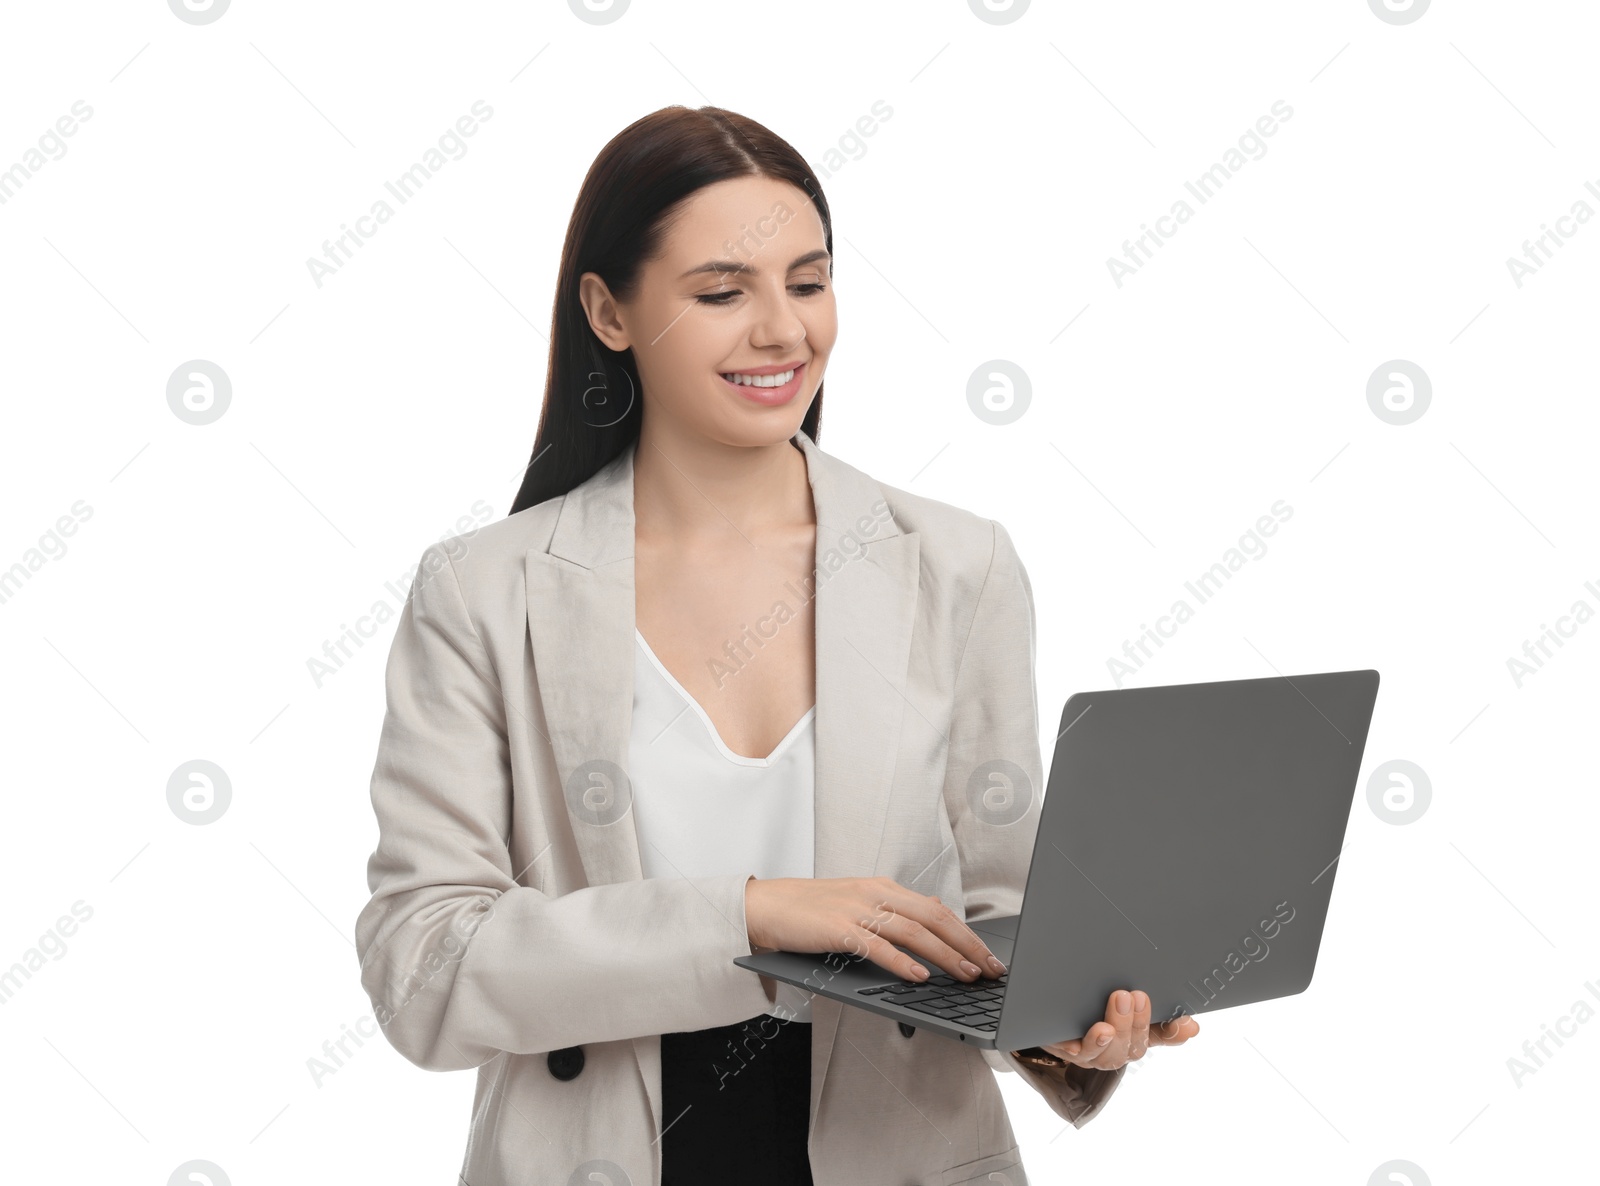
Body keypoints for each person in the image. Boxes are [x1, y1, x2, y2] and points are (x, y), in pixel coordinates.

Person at [354, 104, 1198, 1186]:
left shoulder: (956, 564)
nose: (783, 332)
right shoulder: (482, 591)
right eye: (721, 293)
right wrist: (750, 916)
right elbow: (422, 966)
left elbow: (996, 915)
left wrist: (1068, 1020)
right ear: (609, 312)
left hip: (902, 1151)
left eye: (808, 283)